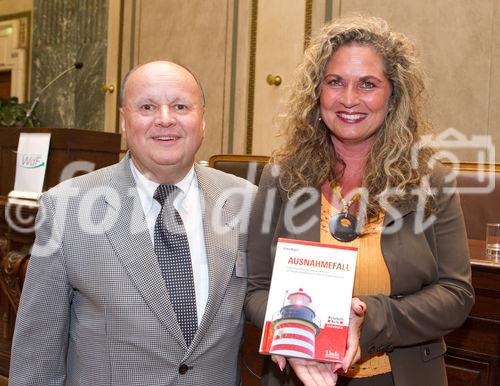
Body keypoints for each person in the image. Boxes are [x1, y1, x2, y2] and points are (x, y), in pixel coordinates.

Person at [245, 16, 474, 386]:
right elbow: (255, 289)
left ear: (392, 94)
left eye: (368, 84)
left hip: (402, 376)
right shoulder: (281, 178)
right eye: (335, 82)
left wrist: (371, 319)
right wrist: (290, 332)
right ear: (316, 93)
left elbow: (456, 294)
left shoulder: (432, 182)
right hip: (302, 375)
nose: (349, 99)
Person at [10, 61, 256, 385]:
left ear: (203, 120)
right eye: (147, 107)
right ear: (124, 122)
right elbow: (36, 358)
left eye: (181, 106)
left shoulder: (248, 201)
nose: (165, 119)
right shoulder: (66, 208)